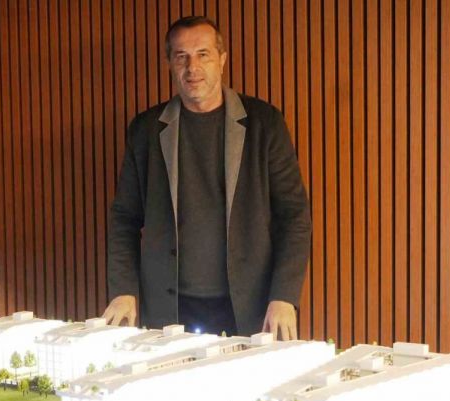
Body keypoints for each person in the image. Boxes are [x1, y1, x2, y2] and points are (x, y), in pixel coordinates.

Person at [103, 16, 311, 340]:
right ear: (170, 64)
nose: (193, 68)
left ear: (222, 59)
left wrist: (284, 295)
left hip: (250, 308)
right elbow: (124, 218)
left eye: (203, 54)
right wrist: (123, 290)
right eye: (181, 56)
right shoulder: (145, 130)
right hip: (170, 310)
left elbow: (295, 215)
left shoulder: (265, 124)